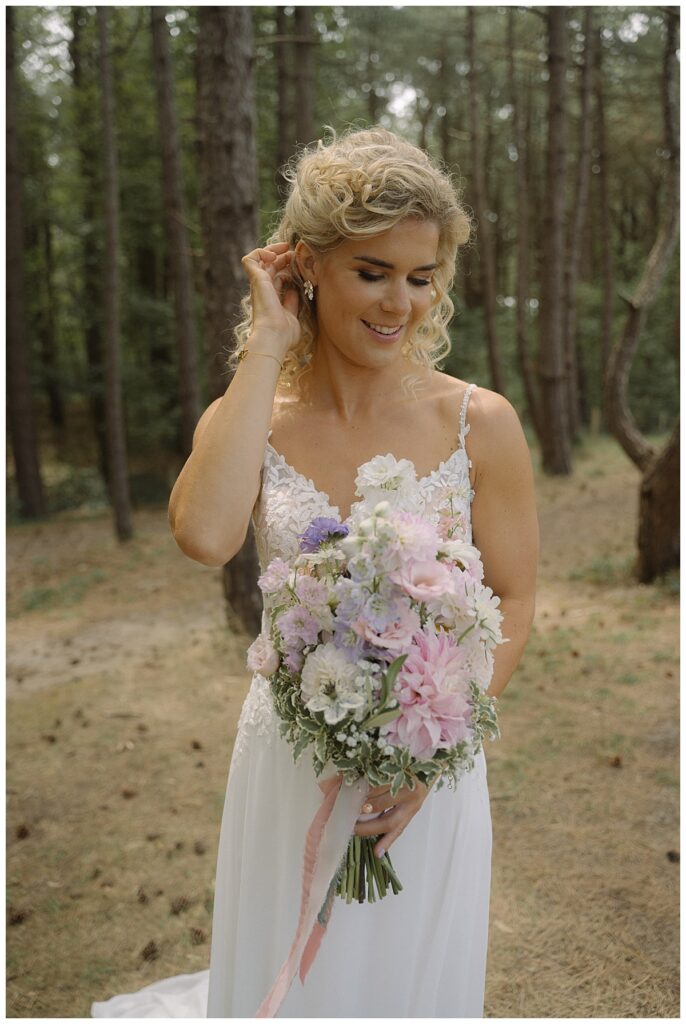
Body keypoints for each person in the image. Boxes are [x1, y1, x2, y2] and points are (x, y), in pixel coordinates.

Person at [91, 126, 538, 1019]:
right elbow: (205, 537)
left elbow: (516, 596)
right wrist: (267, 343)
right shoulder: (254, 416)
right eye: (372, 272)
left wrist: (434, 753)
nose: (400, 303)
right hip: (288, 762)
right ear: (307, 266)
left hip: (425, 770)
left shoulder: (479, 423)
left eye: (422, 277)